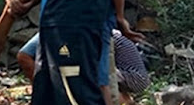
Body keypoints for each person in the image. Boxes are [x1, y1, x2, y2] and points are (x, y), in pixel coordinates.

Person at [18, 30, 150, 100]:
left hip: (135, 78)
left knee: (85, 69)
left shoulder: (104, 34)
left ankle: (119, 98)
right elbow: (24, 55)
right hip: (57, 24)